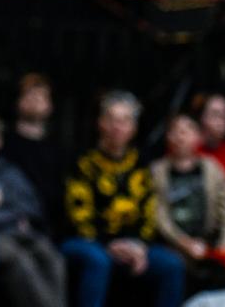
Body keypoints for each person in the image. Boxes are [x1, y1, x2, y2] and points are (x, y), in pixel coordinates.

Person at [62, 91, 185, 307]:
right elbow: (79, 216)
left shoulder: (140, 164)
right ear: (100, 123)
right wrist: (110, 244)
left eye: (125, 120)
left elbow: (149, 211)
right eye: (112, 119)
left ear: (133, 128)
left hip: (133, 244)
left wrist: (139, 246)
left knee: (172, 265)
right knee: (97, 260)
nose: (117, 126)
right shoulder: (83, 163)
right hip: (89, 240)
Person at [0, 113, 63, 307]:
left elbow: (31, 206)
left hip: (17, 232)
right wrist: (9, 216)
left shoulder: (9, 171)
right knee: (21, 261)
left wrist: (4, 210)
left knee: (51, 256)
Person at [148, 113, 225, 296]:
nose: (181, 136)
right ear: (167, 137)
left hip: (211, 243)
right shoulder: (156, 171)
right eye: (175, 131)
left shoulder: (212, 167)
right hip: (173, 244)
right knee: (175, 269)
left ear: (199, 137)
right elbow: (158, 214)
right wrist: (184, 243)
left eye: (187, 130)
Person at [3, 74, 64, 235]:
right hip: (13, 222)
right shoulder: (3, 143)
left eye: (41, 97)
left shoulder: (57, 149)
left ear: (50, 105)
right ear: (18, 101)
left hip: (50, 226)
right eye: (30, 95)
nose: (36, 101)